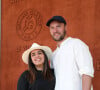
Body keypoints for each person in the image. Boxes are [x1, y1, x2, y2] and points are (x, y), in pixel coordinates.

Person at [46, 16, 94, 90]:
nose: (55, 30)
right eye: (52, 28)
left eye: (58, 26)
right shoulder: (54, 54)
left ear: (65, 27)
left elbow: (87, 73)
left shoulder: (77, 44)